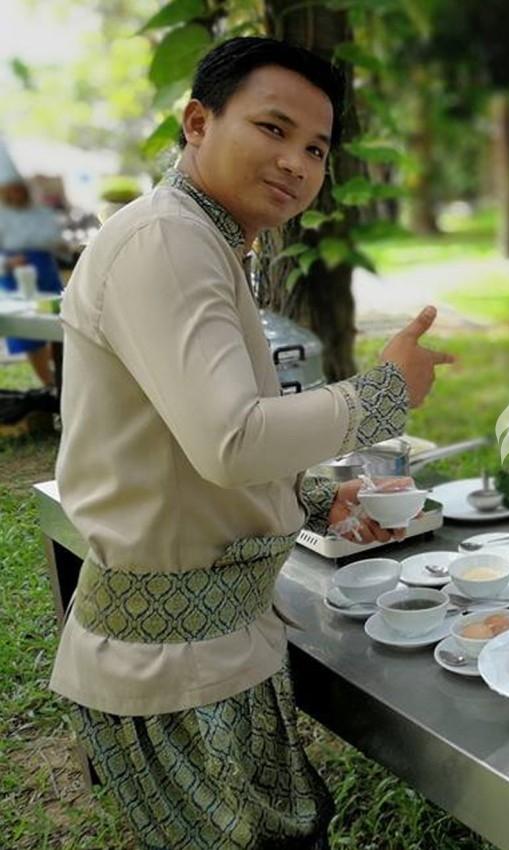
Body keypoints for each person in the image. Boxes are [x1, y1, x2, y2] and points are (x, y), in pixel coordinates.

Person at [49, 37, 453, 849]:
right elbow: (230, 440)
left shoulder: (204, 238)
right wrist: (383, 395)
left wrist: (308, 495)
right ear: (198, 121)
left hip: (215, 644)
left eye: (314, 148)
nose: (296, 163)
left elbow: (177, 439)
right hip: (172, 662)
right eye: (272, 128)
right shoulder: (165, 240)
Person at [0, 138, 64, 386]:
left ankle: (61, 376)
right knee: (28, 333)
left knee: (58, 323)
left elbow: (53, 238)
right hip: (14, 274)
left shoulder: (38, 211)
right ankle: (48, 382)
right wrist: (8, 263)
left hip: (44, 268)